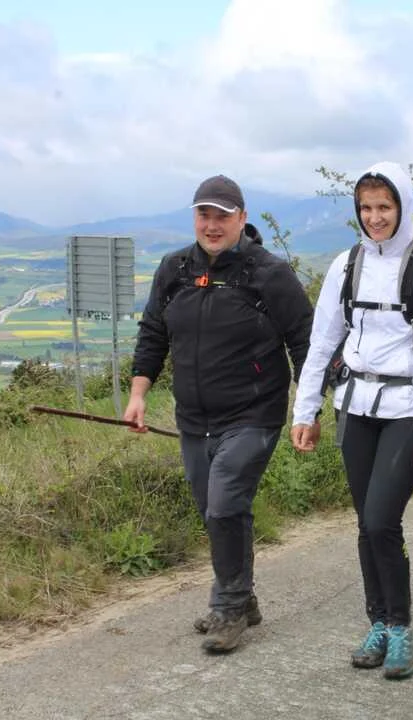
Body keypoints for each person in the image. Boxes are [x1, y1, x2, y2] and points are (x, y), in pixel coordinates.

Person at [125, 175, 313, 654]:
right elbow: (153, 333)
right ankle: (242, 596)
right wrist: (138, 394)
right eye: (204, 215)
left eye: (222, 216)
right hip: (193, 417)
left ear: (242, 219)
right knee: (215, 510)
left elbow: (305, 341)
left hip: (254, 412)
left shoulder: (269, 274)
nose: (212, 225)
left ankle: (228, 609)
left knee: (225, 502)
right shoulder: (174, 269)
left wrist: (307, 408)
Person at [290, 161, 413, 680]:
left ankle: (401, 627)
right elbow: (322, 341)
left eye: (384, 206)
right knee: (367, 523)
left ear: (403, 206)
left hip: (408, 410)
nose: (375, 217)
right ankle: (378, 623)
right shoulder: (346, 266)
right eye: (366, 208)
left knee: (383, 520)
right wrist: (306, 409)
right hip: (355, 407)